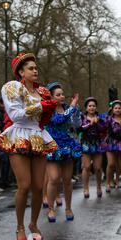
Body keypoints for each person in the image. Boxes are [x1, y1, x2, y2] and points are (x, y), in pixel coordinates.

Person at [0, 52, 58, 240]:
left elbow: (45, 118)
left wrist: (49, 108)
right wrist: (41, 106)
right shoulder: (13, 88)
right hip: (19, 136)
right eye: (30, 68)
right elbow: (16, 115)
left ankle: (33, 223)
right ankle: (19, 226)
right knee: (24, 185)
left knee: (39, 186)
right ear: (21, 72)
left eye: (36, 67)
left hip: (38, 136)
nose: (35, 70)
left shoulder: (44, 92)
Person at [45, 83, 82, 222]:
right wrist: (72, 107)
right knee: (54, 178)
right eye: (58, 94)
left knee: (67, 180)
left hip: (67, 146)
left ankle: (68, 208)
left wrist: (76, 111)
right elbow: (58, 120)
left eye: (62, 94)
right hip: (53, 146)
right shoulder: (48, 110)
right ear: (51, 96)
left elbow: (77, 125)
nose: (62, 97)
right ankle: (51, 209)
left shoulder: (68, 108)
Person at [79, 97, 107, 198]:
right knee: (86, 167)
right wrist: (90, 123)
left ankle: (99, 187)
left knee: (98, 168)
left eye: (94, 106)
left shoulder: (100, 118)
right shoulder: (82, 117)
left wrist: (97, 122)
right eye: (90, 106)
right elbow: (80, 128)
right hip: (86, 144)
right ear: (86, 108)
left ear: (96, 107)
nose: (92, 107)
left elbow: (104, 129)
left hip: (97, 144)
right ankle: (85, 188)